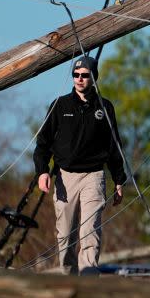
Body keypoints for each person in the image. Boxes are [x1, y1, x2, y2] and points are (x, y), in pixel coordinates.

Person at [35, 55, 126, 275]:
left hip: (94, 176)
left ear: (93, 78)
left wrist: (119, 180)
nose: (79, 79)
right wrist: (42, 172)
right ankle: (69, 279)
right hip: (65, 176)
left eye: (84, 75)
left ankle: (89, 282)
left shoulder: (104, 107)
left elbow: (114, 146)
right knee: (65, 236)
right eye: (75, 75)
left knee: (89, 232)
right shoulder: (59, 105)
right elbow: (43, 143)